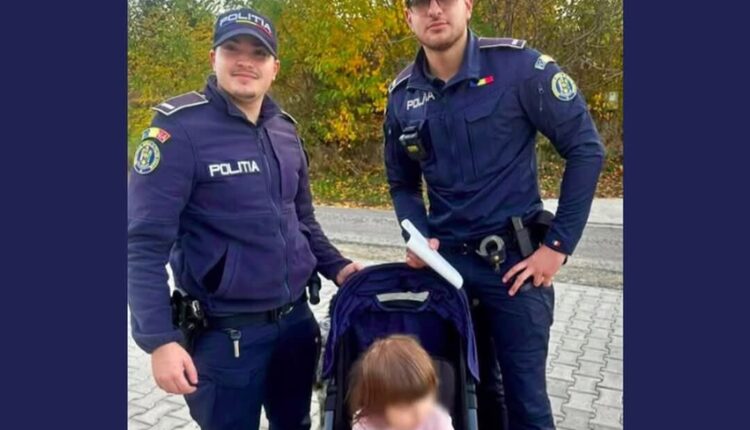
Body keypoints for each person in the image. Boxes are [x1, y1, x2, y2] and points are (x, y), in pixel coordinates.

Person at [128, 8, 362, 429]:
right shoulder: (178, 131)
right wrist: (159, 340)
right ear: (213, 57)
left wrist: (339, 267)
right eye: (232, 49)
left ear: (274, 67)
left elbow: (302, 219)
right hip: (225, 337)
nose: (245, 62)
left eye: (258, 53)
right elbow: (142, 245)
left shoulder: (285, 130)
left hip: (295, 325)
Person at [383, 1, 606, 429]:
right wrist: (417, 236)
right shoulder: (403, 95)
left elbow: (586, 149)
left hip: (515, 269)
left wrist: (557, 246)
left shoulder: (520, 68)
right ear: (408, 16)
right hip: (447, 272)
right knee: (469, 399)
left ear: (467, 6)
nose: (434, 10)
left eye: (445, 0)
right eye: (420, 3)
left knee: (527, 407)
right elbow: (402, 183)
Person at [349, 335, 454, 430]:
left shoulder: (437, 421)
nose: (417, 411)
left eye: (423, 398)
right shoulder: (365, 424)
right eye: (404, 407)